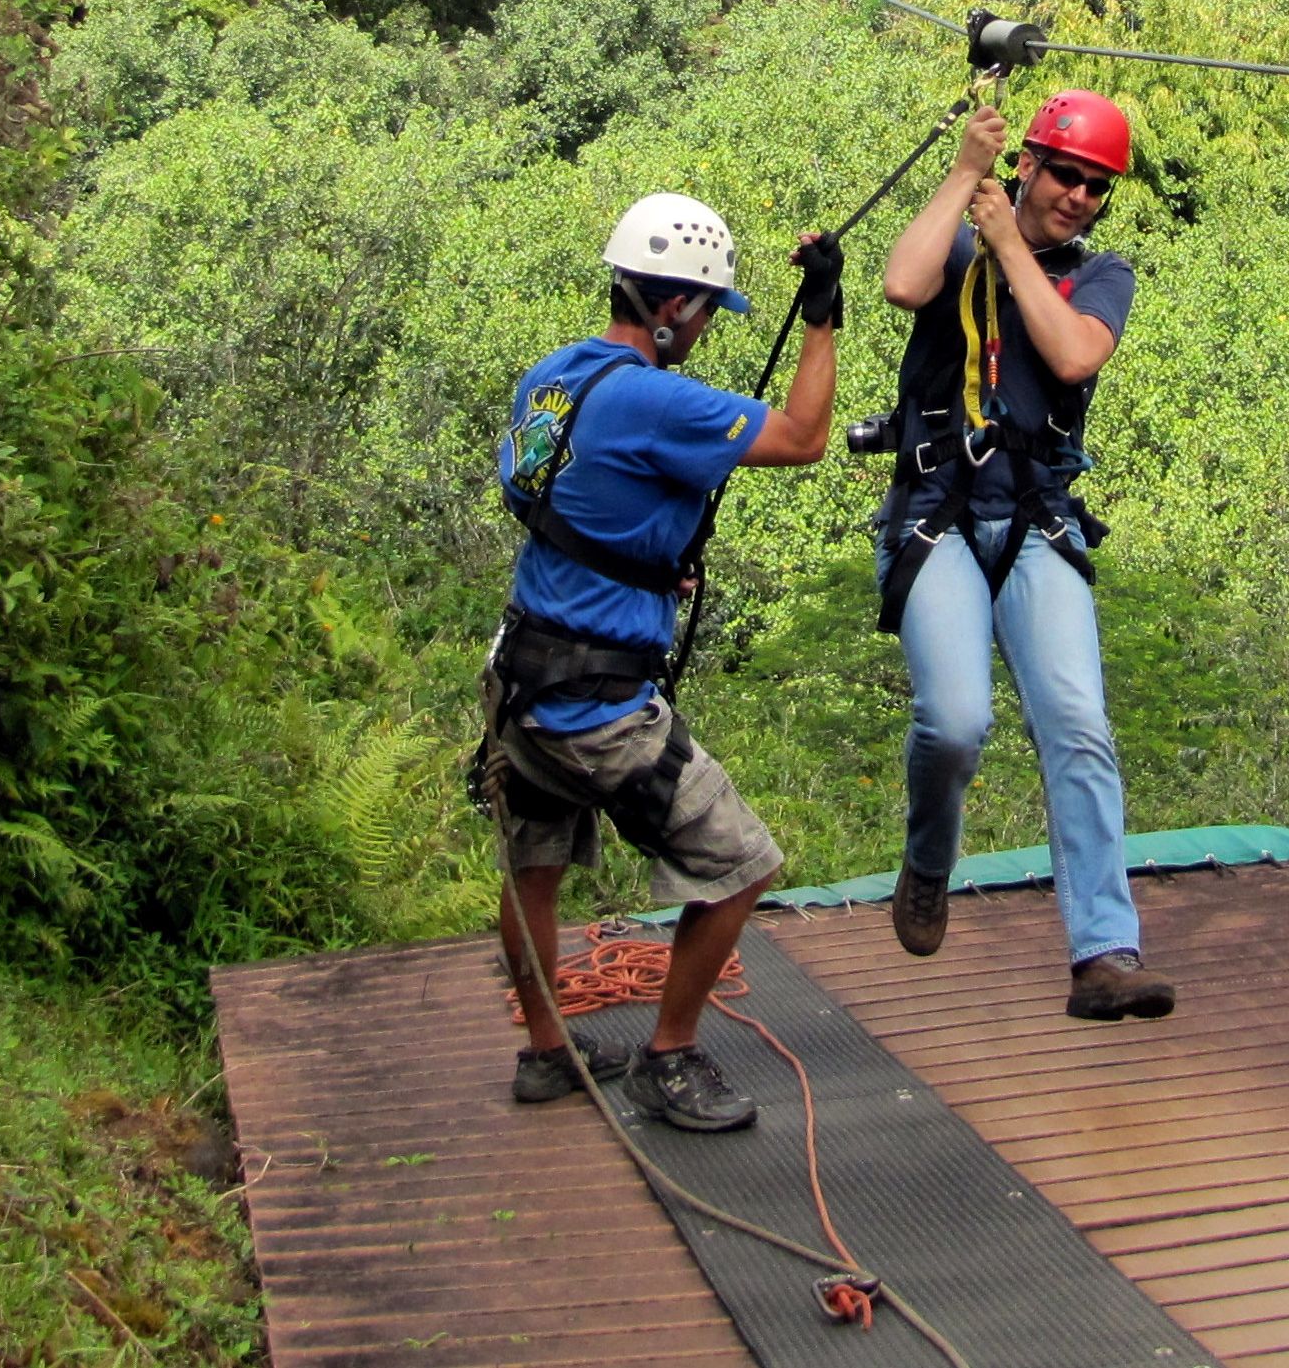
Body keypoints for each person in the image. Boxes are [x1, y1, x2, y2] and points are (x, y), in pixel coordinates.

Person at [478, 192, 847, 1131]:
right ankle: (669, 1056)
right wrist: (822, 320)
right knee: (741, 860)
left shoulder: (550, 380)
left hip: (521, 677)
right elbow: (802, 438)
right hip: (595, 706)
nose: (702, 335)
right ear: (675, 306)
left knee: (534, 869)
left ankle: (546, 1050)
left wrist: (646, 554)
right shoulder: (655, 396)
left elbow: (564, 500)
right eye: (704, 313)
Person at [873, 90, 1175, 1022]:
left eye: (1098, 185)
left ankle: (1103, 953)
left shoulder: (1100, 273)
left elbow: (1074, 354)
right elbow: (902, 283)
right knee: (956, 722)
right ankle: (930, 860)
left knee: (1080, 722)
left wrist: (1010, 243)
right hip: (940, 512)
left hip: (1038, 520)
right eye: (1068, 174)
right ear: (1029, 166)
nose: (1081, 196)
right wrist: (967, 173)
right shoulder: (961, 241)